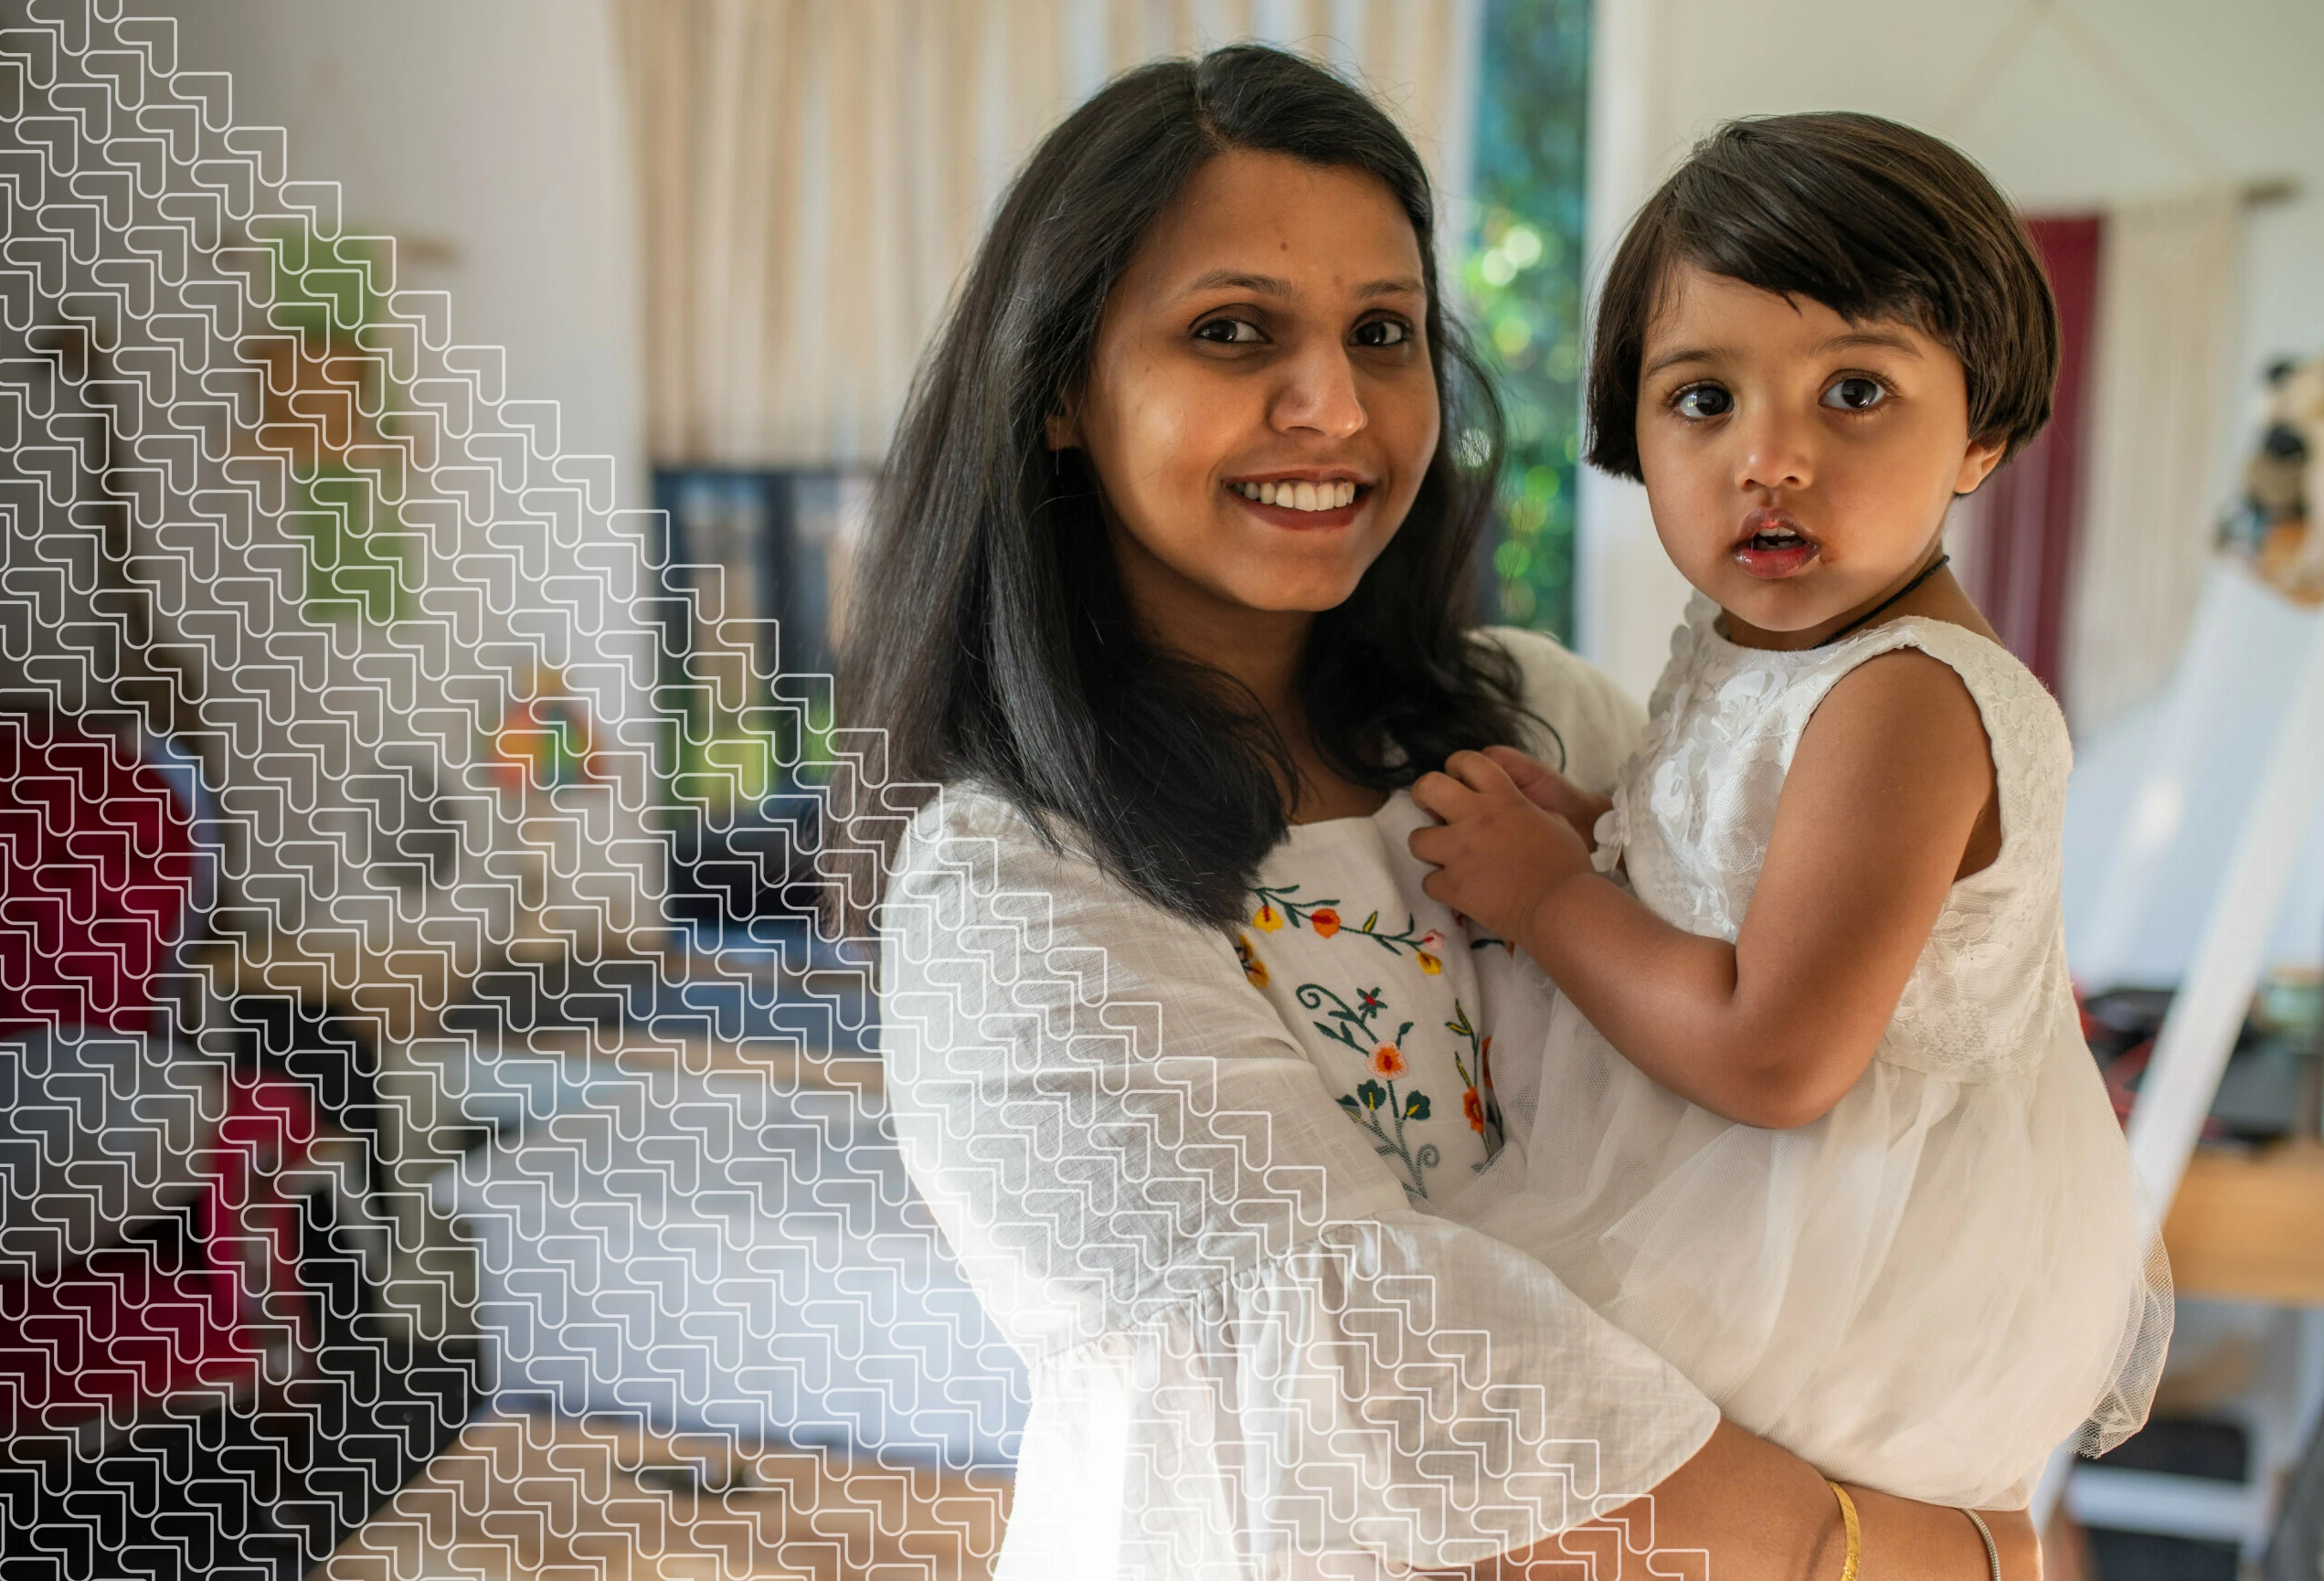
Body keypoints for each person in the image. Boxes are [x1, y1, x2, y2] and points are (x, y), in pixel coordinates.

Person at [843, 47, 2034, 1579]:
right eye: (1232, 331)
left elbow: (1893, 1080)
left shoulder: (1547, 717)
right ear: (1062, 388)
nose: (1333, 405)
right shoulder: (1007, 890)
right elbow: (1397, 1387)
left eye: (1383, 332)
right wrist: (1932, 1552)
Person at [1404, 113, 2170, 1512]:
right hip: (1750, 1197)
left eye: (1856, 393)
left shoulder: (1906, 698)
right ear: (1630, 428)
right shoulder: (1756, 639)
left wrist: (1545, 896)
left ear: (1981, 433)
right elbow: (1738, 876)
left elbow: (1776, 1056)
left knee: (1462, 1413)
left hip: (1840, 1268)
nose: (1771, 457)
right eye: (1704, 400)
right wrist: (1594, 834)